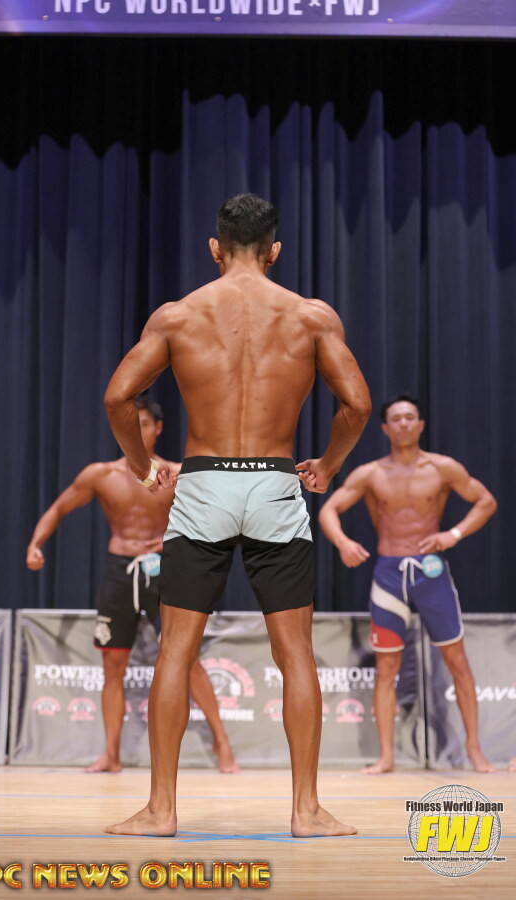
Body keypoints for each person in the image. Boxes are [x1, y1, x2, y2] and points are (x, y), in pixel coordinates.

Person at [103, 192, 371, 837]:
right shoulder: (310, 316)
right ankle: (306, 810)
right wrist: (330, 464)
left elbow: (118, 397)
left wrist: (141, 464)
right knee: (295, 652)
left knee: (176, 650)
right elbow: (358, 405)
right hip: (274, 484)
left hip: (205, 485)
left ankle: (161, 811)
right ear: (274, 251)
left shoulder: (179, 315)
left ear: (214, 249)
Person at [27, 395, 239, 774]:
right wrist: (35, 544)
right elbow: (59, 508)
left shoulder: (177, 473)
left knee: (186, 658)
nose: (138, 432)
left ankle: (223, 744)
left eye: (144, 424)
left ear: (158, 428)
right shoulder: (101, 475)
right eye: (131, 425)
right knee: (113, 664)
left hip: (165, 570)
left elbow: (221, 517)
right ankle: (111, 754)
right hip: (120, 570)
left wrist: (175, 541)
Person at [319, 393, 497, 775]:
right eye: (396, 418)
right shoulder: (370, 473)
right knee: (387, 668)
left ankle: (474, 749)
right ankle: (386, 756)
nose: (403, 423)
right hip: (388, 575)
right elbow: (329, 509)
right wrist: (344, 542)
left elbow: (485, 501)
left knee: (457, 661)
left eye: (409, 417)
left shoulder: (442, 467)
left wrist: (453, 534)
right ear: (385, 428)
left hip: (431, 573)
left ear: (420, 425)